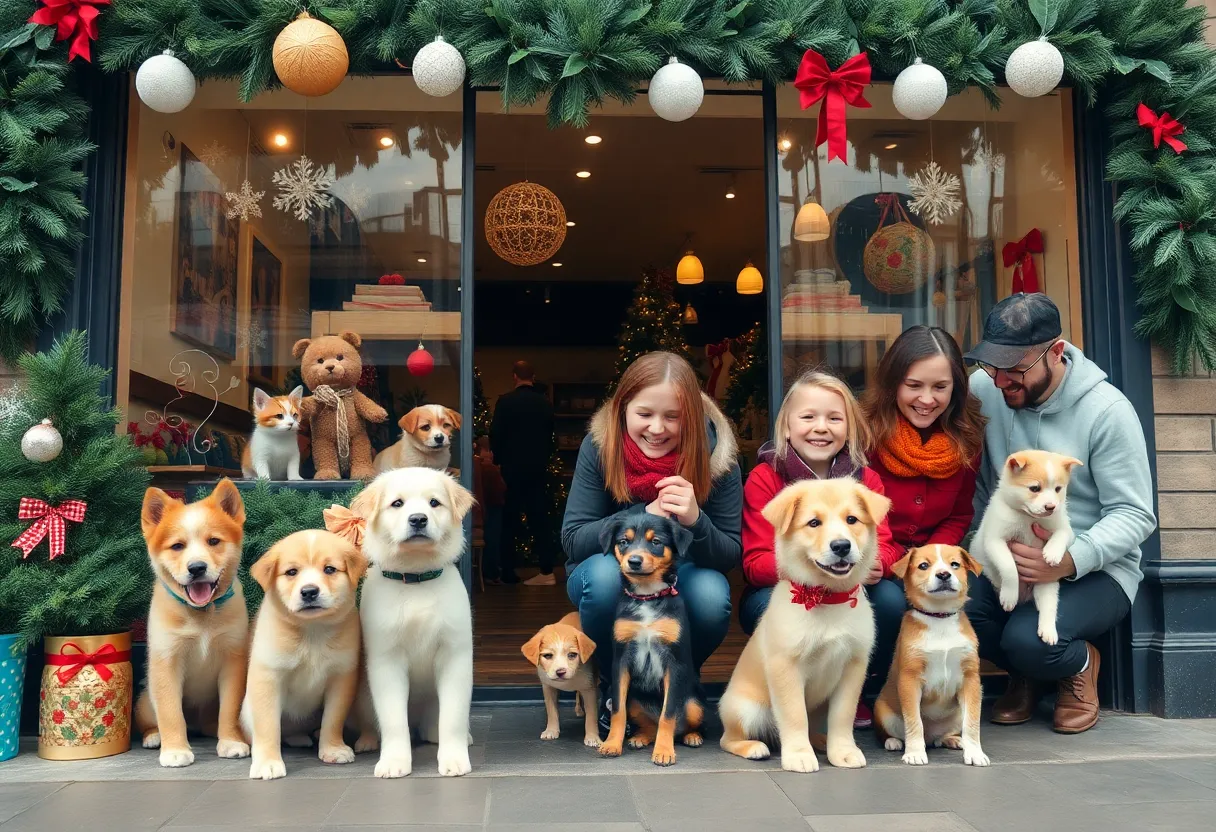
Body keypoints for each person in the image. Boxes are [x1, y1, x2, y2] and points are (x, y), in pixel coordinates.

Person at [964, 293, 1156, 734]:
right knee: (954, 607)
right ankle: (1026, 674)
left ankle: (1076, 666)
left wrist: (1071, 560)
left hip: (1093, 568)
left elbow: (1135, 514)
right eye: (993, 366)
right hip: (1006, 555)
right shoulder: (982, 389)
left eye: (1015, 369)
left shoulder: (1108, 411)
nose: (1000, 381)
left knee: (1029, 641)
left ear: (1056, 352)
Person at [561, 351, 741, 736]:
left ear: (690, 415)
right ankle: (615, 692)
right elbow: (573, 540)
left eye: (672, 417)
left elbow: (729, 554)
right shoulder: (600, 446)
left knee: (711, 594)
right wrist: (643, 511)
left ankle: (676, 685)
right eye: (645, 414)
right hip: (605, 569)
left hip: (676, 573)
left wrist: (696, 519)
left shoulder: (717, 457)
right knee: (604, 579)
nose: (657, 428)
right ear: (623, 407)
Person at [740, 369, 901, 728]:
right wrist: (809, 569)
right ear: (786, 427)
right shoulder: (767, 478)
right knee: (768, 607)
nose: (821, 427)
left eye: (834, 418)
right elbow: (754, 562)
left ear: (849, 427)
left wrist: (880, 564)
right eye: (808, 417)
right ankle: (787, 699)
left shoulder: (865, 479)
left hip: (850, 590)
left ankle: (853, 693)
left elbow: (886, 544)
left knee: (889, 599)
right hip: (787, 591)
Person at [862, 326, 987, 707]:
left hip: (934, 560)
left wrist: (932, 556)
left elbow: (961, 511)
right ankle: (872, 691)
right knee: (887, 601)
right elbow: (860, 512)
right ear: (892, 383)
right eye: (914, 385)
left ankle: (940, 698)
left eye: (940, 387)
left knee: (976, 602)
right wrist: (894, 561)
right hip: (879, 559)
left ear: (956, 389)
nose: (927, 399)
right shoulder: (865, 434)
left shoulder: (967, 439)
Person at [491, 360, 557, 585]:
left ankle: (508, 571)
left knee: (509, 520)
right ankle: (547, 569)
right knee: (540, 518)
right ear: (533, 376)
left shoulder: (505, 402)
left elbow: (496, 435)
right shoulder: (545, 404)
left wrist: (499, 461)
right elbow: (550, 436)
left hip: (512, 468)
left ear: (514, 377)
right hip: (537, 469)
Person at [472, 435, 507, 585]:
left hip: (481, 511)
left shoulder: (473, 464)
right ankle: (491, 573)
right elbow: (500, 489)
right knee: (492, 537)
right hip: (489, 510)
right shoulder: (487, 467)